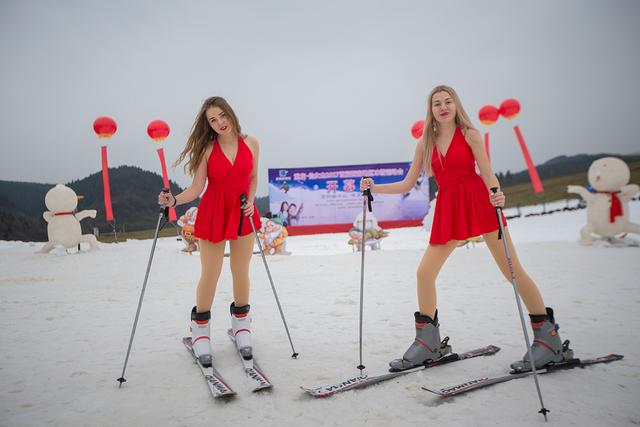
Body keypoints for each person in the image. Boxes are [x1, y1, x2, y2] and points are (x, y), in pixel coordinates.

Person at [360, 85, 571, 371]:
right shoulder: (425, 143)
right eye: (437, 103)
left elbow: (487, 172)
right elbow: (408, 183)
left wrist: (497, 192)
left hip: (478, 201)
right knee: (424, 273)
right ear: (430, 109)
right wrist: (375, 187)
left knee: (512, 271)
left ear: (456, 105)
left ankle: (548, 341)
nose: (444, 107)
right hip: (449, 207)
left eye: (449, 101)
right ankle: (428, 344)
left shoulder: (470, 134)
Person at [158, 96, 261, 366]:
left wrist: (250, 201)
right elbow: (195, 189)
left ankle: (241, 325)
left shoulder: (251, 142)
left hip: (242, 210)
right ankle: (200, 330)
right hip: (214, 210)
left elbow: (252, 177)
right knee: (211, 272)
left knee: (241, 270)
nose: (219, 123)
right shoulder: (206, 149)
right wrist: (174, 200)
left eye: (222, 116)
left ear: (231, 113)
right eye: (212, 120)